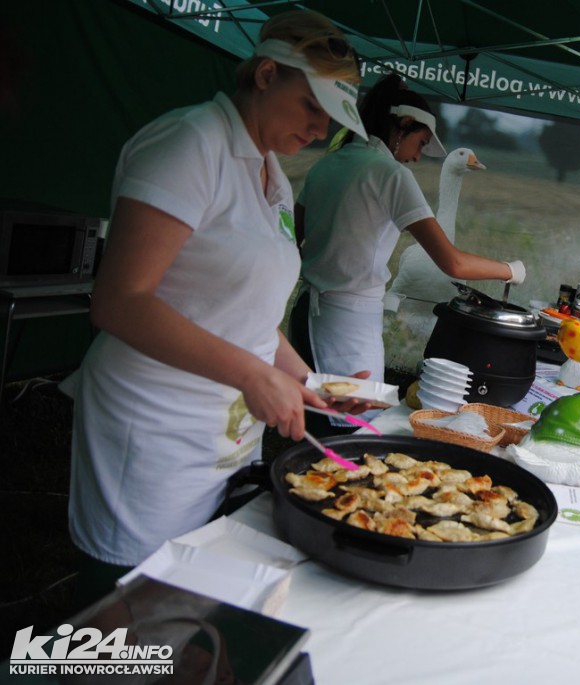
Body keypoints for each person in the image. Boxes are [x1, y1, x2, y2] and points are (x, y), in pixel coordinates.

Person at [67, 10, 368, 607]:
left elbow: (248, 310)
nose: (318, 129)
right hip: (155, 429)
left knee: (193, 598)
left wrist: (312, 382)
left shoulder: (270, 172)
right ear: (264, 74)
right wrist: (253, 374)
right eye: (312, 107)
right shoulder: (189, 144)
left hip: (222, 431)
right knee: (131, 604)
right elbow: (119, 302)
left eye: (329, 118)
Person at [296, 74, 524, 404]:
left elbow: (294, 238)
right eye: (419, 143)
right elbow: (453, 262)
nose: (417, 157)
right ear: (402, 124)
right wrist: (510, 269)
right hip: (349, 324)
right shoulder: (390, 174)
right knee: (356, 423)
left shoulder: (327, 165)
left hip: (308, 313)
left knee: (317, 414)